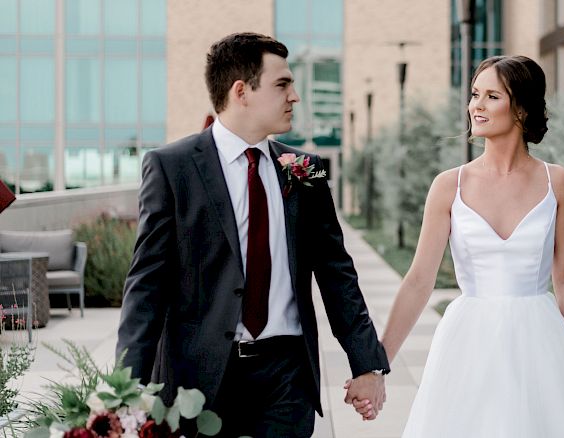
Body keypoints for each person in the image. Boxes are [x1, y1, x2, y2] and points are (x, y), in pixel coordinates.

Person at [347, 55, 564, 436]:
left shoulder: (558, 182)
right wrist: (377, 365)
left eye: (491, 96)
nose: (476, 106)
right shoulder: (448, 186)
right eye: (474, 94)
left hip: (541, 342)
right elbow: (419, 280)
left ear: (521, 108)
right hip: (469, 344)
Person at [116, 32, 389, 438]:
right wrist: (125, 391)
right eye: (283, 84)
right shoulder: (171, 167)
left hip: (287, 376)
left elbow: (336, 273)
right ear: (241, 91)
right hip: (198, 379)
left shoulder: (306, 168)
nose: (295, 96)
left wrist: (367, 363)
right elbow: (147, 286)